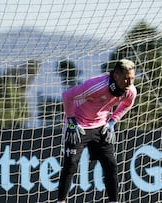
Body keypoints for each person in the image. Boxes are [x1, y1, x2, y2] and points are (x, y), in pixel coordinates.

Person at [57, 59, 137, 203]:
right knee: (71, 164)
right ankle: (61, 201)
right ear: (116, 76)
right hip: (78, 125)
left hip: (101, 126)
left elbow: (127, 104)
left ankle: (114, 201)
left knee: (111, 165)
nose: (130, 82)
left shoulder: (130, 91)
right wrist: (71, 123)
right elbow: (67, 96)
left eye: (132, 78)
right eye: (127, 78)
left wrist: (112, 122)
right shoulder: (97, 85)